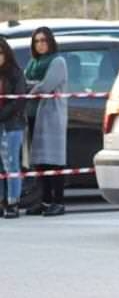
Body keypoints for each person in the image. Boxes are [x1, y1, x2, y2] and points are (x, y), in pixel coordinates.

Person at [24, 27, 68, 217]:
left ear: (50, 42)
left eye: (44, 40)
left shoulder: (57, 61)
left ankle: (58, 202)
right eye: (37, 41)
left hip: (51, 117)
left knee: (54, 161)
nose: (40, 44)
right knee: (40, 162)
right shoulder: (33, 63)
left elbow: (45, 86)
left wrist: (30, 88)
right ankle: (44, 201)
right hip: (34, 115)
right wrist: (31, 87)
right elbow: (26, 82)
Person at [0, 38, 27, 218]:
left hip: (12, 124)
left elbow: (19, 100)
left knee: (11, 164)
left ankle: (13, 202)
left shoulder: (15, 73)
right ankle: (1, 201)